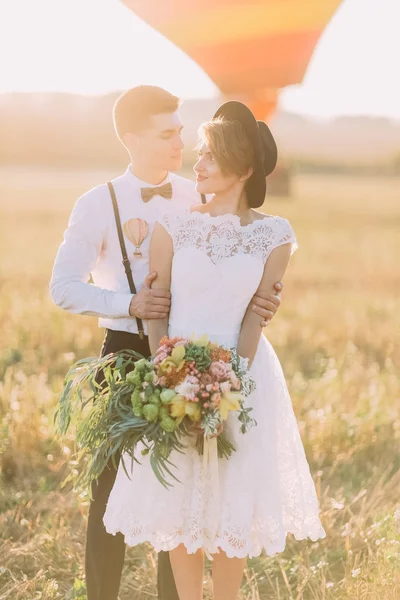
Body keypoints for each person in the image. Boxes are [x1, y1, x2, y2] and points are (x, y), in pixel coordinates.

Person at [50, 87, 284, 600]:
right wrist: (128, 304)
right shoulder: (95, 203)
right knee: (111, 490)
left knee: (181, 492)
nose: (182, 141)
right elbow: (61, 287)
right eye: (168, 133)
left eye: (184, 131)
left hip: (197, 352)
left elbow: (234, 256)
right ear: (131, 140)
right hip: (126, 353)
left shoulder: (195, 195)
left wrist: (262, 298)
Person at [103, 101, 326, 600]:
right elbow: (157, 307)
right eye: (199, 152)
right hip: (176, 370)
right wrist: (169, 373)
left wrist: (231, 385)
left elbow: (257, 315)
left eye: (210, 155)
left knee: (233, 506)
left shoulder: (276, 234)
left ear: (244, 168)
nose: (197, 164)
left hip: (243, 374)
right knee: (181, 504)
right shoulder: (174, 227)